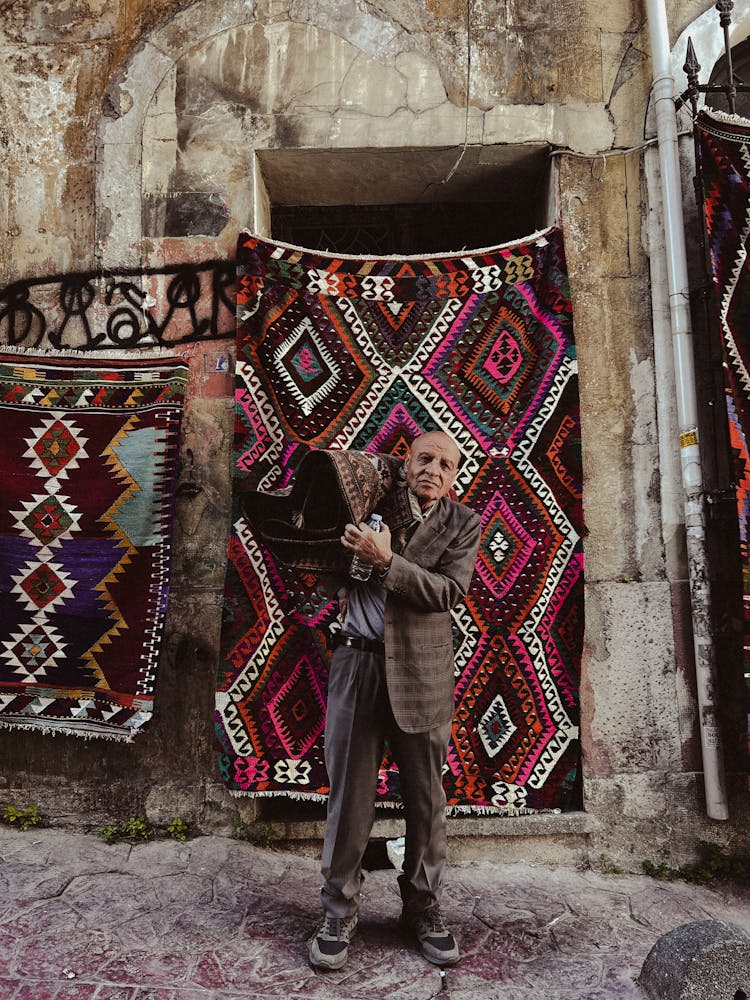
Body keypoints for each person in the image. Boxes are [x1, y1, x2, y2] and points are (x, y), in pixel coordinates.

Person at [309, 430, 482, 972]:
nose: (433, 469)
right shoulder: (364, 504)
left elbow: (447, 593)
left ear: (455, 476)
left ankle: (423, 908)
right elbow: (321, 566)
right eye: (424, 458)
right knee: (350, 796)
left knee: (426, 798)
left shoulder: (462, 524)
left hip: (422, 671)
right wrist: (348, 560)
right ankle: (338, 909)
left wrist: (386, 563)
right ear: (406, 461)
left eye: (446, 465)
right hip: (356, 662)